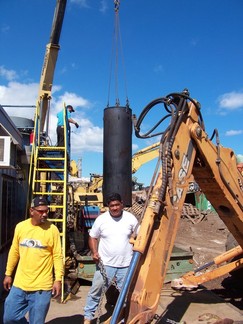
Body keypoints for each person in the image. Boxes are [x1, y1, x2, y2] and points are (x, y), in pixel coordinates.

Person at [3, 196, 64, 324]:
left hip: (41, 288)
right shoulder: (21, 227)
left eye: (46, 211)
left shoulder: (52, 230)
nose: (45, 214)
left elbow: (57, 256)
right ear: (32, 211)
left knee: (36, 322)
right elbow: (14, 251)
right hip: (20, 285)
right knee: (9, 318)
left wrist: (58, 279)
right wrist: (8, 274)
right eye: (41, 211)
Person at [83, 193, 138, 324]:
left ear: (122, 204)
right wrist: (94, 252)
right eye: (112, 205)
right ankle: (88, 318)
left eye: (117, 205)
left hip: (126, 265)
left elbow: (139, 236)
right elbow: (92, 236)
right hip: (105, 264)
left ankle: (125, 317)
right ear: (108, 206)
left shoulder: (130, 218)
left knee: (126, 294)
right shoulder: (102, 219)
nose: (114, 208)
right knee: (96, 291)